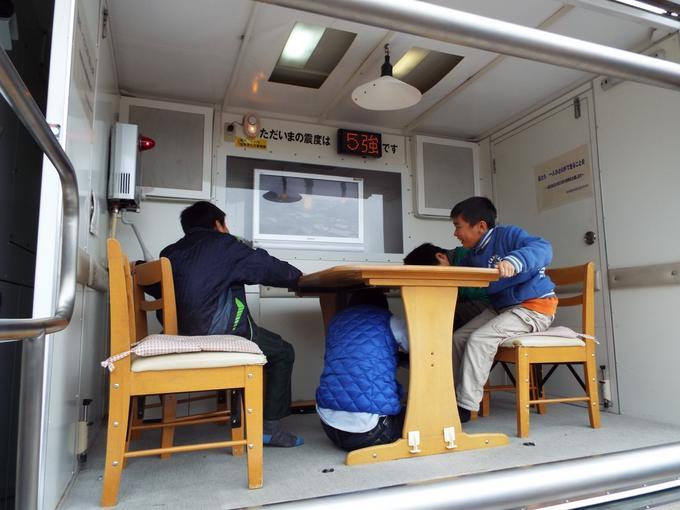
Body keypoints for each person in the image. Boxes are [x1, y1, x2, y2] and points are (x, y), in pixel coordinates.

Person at [160, 201, 303, 447]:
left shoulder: (169, 253)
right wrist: (298, 277)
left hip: (180, 335)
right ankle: (270, 427)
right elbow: (272, 269)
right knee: (283, 351)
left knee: (270, 346)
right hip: (221, 334)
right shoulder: (226, 246)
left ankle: (252, 413)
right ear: (218, 224)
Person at [449, 196, 557, 423]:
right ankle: (449, 396)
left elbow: (543, 247)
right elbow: (460, 276)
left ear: (480, 226)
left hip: (534, 308)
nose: (455, 233)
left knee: (479, 339)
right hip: (503, 309)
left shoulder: (507, 234)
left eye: (458, 227)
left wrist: (514, 261)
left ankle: (465, 407)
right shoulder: (472, 255)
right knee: (458, 338)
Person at [316, 288, 408, 451]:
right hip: (369, 431)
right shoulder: (391, 321)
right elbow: (421, 352)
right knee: (416, 414)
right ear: (383, 303)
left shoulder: (336, 321)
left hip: (328, 426)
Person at [403, 242, 490, 329]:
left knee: (443, 316)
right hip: (480, 305)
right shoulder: (455, 260)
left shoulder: (468, 257)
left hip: (490, 304)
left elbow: (480, 294)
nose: (434, 283)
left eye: (432, 276)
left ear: (441, 257)